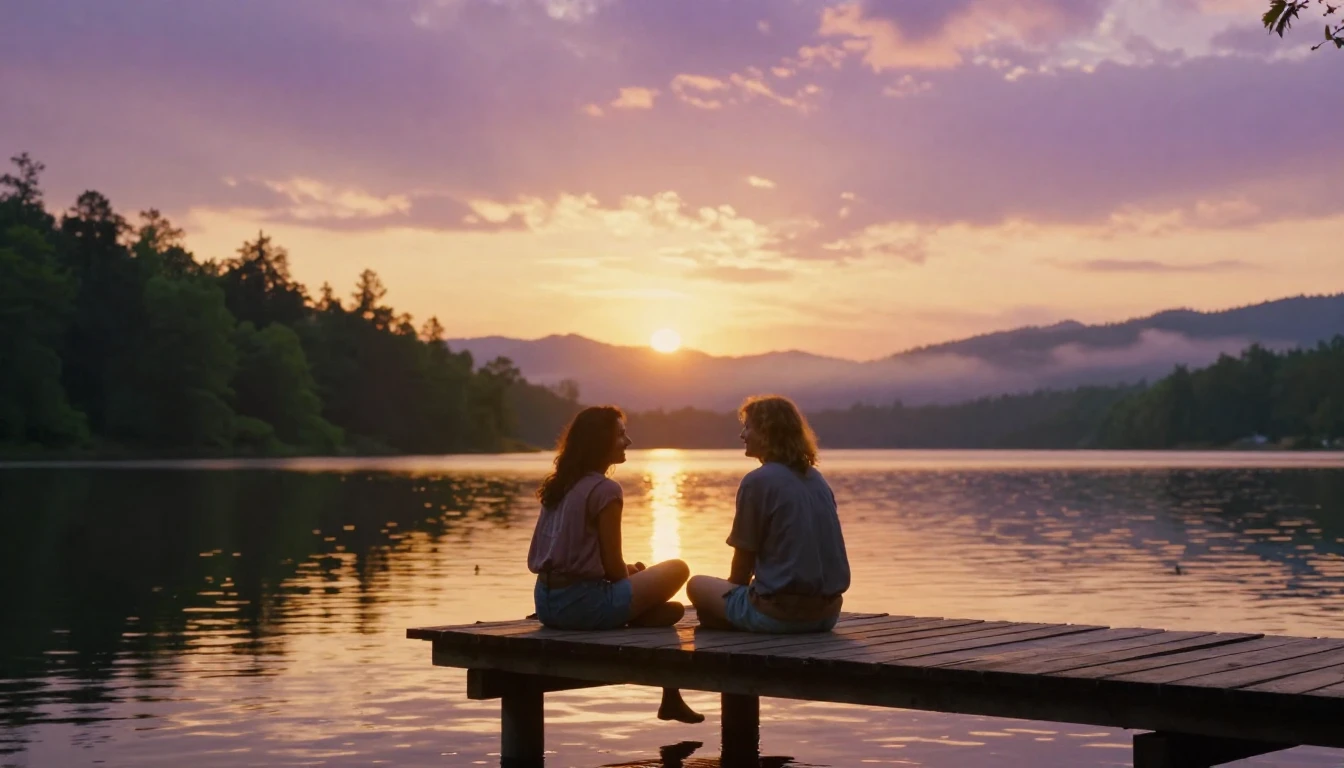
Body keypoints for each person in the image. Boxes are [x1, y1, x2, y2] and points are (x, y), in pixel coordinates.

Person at [527, 405, 703, 723]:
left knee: (672, 611)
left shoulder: (559, 485)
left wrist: (631, 574)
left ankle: (671, 696)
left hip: (547, 603)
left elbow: (582, 556)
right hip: (583, 606)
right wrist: (633, 575)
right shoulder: (606, 489)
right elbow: (612, 568)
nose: (628, 441)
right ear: (601, 440)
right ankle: (670, 696)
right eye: (621, 434)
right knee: (678, 569)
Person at [688, 394, 850, 633]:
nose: (742, 435)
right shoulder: (817, 480)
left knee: (696, 586)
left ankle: (734, 619)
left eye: (748, 427)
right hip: (828, 616)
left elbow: (743, 560)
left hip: (779, 616)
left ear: (767, 432)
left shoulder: (757, 481)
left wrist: (729, 598)